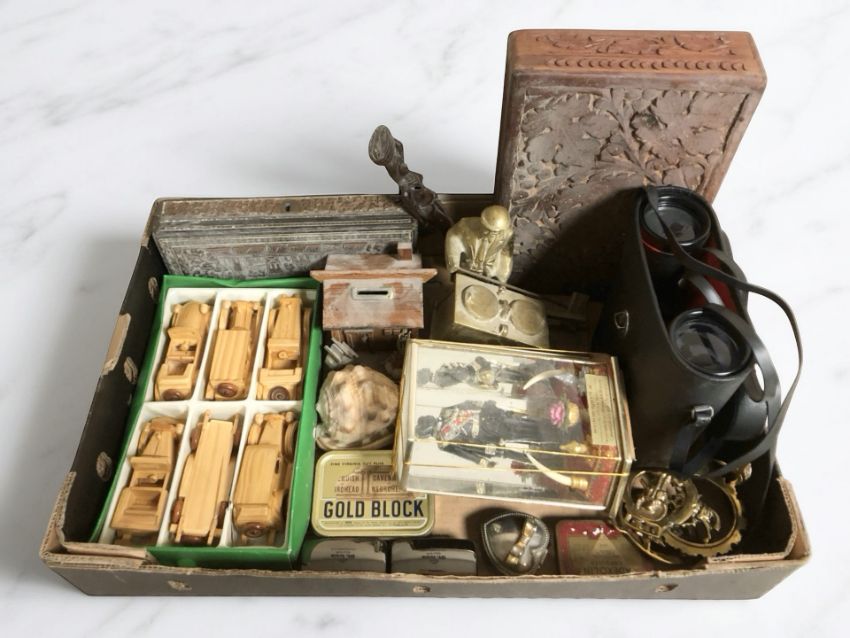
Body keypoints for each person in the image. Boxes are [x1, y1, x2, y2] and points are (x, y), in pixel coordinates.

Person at [444, 205, 514, 282]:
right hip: (466, 267)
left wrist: (502, 278)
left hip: (488, 272)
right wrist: (454, 262)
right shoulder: (465, 225)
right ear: (481, 222)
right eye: (487, 229)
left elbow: (506, 254)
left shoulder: (508, 234)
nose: (491, 233)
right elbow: (452, 236)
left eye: (495, 232)